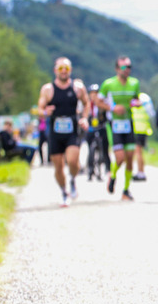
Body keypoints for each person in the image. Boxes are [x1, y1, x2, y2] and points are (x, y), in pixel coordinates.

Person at [37, 57, 90, 207]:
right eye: (61, 68)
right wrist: (45, 112)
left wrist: (84, 118)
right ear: (55, 71)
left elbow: (87, 104)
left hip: (72, 129)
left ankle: (72, 180)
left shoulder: (77, 87)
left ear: (70, 70)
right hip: (55, 131)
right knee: (58, 166)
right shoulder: (48, 89)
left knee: (73, 161)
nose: (64, 71)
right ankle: (63, 191)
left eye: (66, 68)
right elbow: (39, 109)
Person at [97, 55, 143, 201]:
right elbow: (98, 101)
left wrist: (137, 103)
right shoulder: (108, 84)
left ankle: (126, 190)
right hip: (114, 124)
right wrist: (112, 108)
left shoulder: (134, 83)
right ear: (117, 69)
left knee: (130, 158)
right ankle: (113, 174)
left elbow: (137, 99)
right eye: (124, 67)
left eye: (129, 67)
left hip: (128, 123)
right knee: (120, 158)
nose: (127, 70)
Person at [84, 84, 110, 181]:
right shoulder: (87, 104)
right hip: (91, 128)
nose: (94, 96)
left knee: (104, 147)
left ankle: (107, 167)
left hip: (101, 127)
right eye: (92, 93)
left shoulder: (102, 103)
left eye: (96, 93)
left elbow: (108, 113)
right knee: (90, 147)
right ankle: (90, 169)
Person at [131, 91, 156, 181]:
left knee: (138, 152)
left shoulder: (142, 103)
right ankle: (140, 172)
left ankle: (141, 172)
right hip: (140, 131)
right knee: (137, 152)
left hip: (139, 131)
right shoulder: (145, 102)